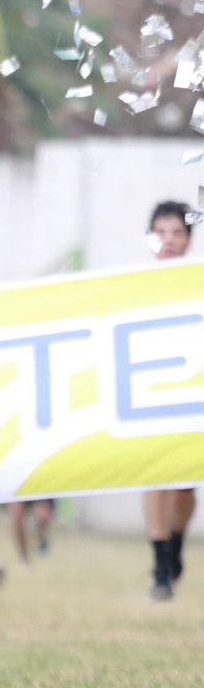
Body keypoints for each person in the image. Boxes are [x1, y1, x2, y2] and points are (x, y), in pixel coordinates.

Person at [145, 199, 194, 600]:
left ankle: (175, 542)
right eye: (161, 233)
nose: (169, 241)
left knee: (184, 490)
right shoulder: (136, 285)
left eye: (177, 233)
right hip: (149, 394)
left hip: (192, 395)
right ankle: (159, 563)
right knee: (152, 475)